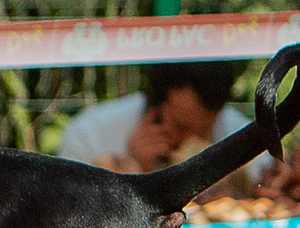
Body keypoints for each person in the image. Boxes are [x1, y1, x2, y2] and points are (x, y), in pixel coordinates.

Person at [55, 61, 251, 174]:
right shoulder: (90, 135)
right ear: (154, 105)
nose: (190, 139)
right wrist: (138, 171)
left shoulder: (238, 132)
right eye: (180, 126)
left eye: (204, 130)